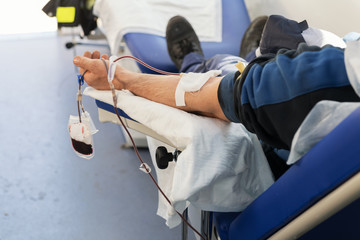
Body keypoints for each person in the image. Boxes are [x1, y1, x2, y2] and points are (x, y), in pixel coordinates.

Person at [73, 15, 360, 154]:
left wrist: (121, 77)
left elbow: (213, 96)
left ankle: (192, 61)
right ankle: (251, 57)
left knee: (223, 66)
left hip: (264, 129)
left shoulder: (326, 79)